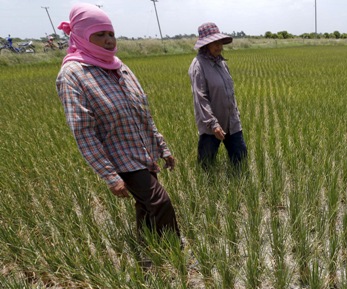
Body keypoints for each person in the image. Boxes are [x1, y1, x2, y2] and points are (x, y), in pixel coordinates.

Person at [56, 3, 181, 242]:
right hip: (120, 158)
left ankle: (148, 250)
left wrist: (162, 148)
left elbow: (143, 113)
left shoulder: (119, 66)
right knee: (159, 201)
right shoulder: (72, 74)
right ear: (81, 36)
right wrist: (110, 176)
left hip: (141, 151)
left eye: (111, 34)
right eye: (100, 34)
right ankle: (176, 250)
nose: (108, 40)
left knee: (146, 206)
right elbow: (83, 132)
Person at [189, 22, 247, 171]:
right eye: (213, 43)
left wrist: (236, 113)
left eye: (219, 42)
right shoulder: (198, 65)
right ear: (205, 45)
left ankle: (240, 188)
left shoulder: (221, 63)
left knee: (240, 161)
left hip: (231, 121)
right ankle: (206, 193)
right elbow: (200, 98)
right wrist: (213, 124)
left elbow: (229, 92)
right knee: (207, 167)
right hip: (211, 127)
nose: (218, 46)